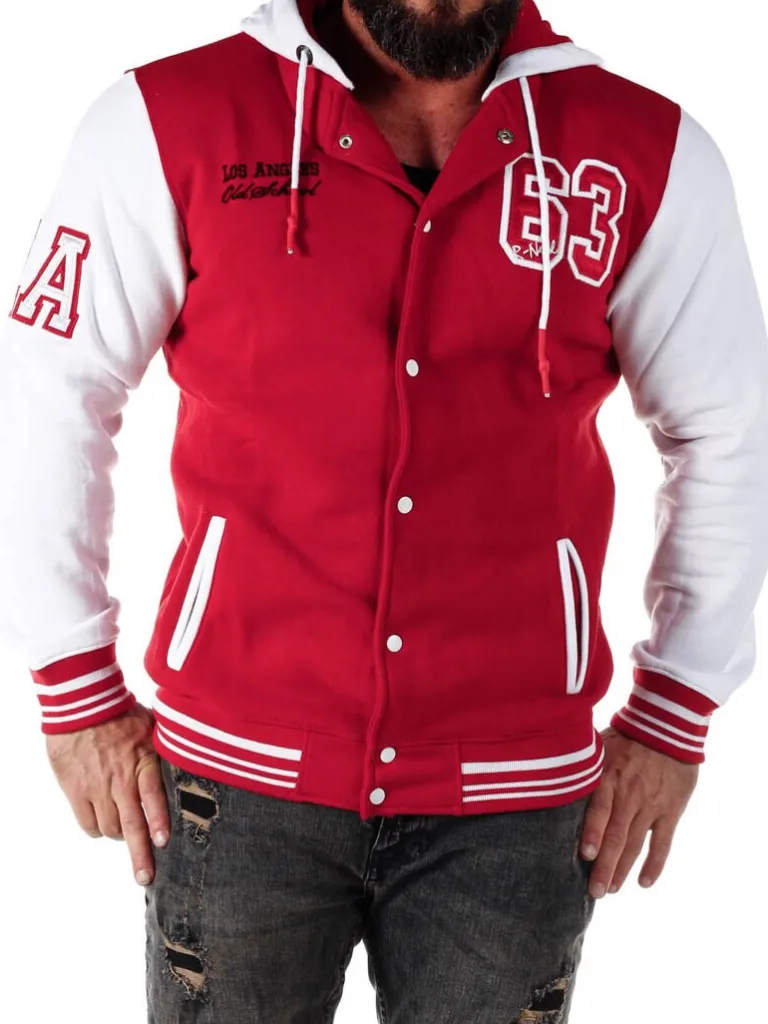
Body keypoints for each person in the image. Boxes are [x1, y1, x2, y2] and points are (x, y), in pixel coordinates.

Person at [1, 0, 767, 1020]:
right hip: (240, 779)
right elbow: (47, 393)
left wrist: (677, 706)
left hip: (514, 791)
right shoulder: (167, 120)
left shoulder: (646, 151)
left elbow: (730, 428)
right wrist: (75, 689)